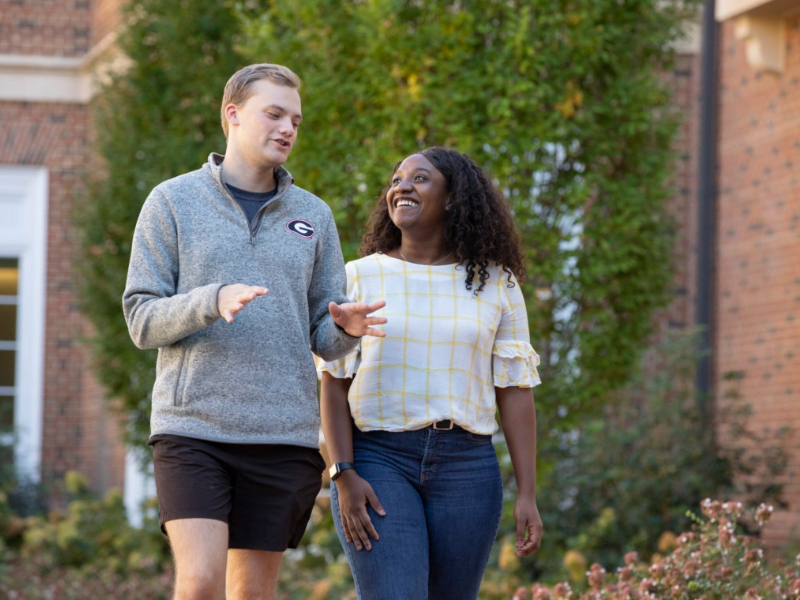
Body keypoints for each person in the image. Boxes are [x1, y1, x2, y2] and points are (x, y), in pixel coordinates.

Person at [122, 63, 386, 600]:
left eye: (295, 120)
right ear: (232, 115)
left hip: (281, 435)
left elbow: (322, 335)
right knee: (199, 583)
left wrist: (347, 329)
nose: (287, 127)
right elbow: (141, 320)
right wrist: (209, 301)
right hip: (193, 428)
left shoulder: (314, 215)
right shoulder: (172, 202)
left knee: (252, 594)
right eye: (274, 114)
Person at [318, 146, 543, 600]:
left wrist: (527, 493)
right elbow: (333, 381)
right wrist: (342, 473)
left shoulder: (496, 283)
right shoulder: (360, 276)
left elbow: (515, 391)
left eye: (419, 179)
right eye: (397, 179)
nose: (401, 186)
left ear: (453, 199)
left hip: (468, 467)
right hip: (378, 459)